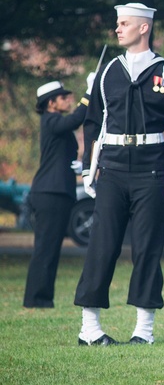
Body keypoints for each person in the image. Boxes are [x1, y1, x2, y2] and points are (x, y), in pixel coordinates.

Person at [74, 2, 164, 345]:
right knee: (102, 246)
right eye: (118, 23)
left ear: (144, 28)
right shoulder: (107, 72)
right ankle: (90, 329)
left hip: (153, 168)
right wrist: (88, 169)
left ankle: (144, 330)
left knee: (147, 248)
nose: (117, 29)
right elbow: (92, 124)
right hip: (112, 168)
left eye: (124, 23)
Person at [23, 80, 90, 308]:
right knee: (45, 248)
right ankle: (36, 299)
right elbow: (75, 119)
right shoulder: (51, 120)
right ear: (50, 103)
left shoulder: (53, 122)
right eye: (62, 98)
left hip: (57, 192)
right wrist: (88, 94)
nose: (67, 101)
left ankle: (43, 298)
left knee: (50, 248)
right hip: (49, 193)